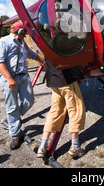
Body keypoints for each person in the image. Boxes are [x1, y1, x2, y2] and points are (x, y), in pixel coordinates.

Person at [37, 19, 86, 159]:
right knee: (75, 110)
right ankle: (75, 146)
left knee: (55, 111)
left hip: (54, 82)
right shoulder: (64, 41)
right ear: (63, 28)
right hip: (67, 81)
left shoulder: (50, 42)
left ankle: (43, 146)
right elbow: (75, 57)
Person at [0, 21, 44, 150]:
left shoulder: (22, 43)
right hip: (9, 78)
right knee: (12, 107)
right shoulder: (2, 43)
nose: (26, 34)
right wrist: (9, 78)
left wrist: (47, 62)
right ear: (20, 31)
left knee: (29, 101)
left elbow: (32, 55)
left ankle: (10, 120)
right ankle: (15, 135)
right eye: (25, 32)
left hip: (23, 76)